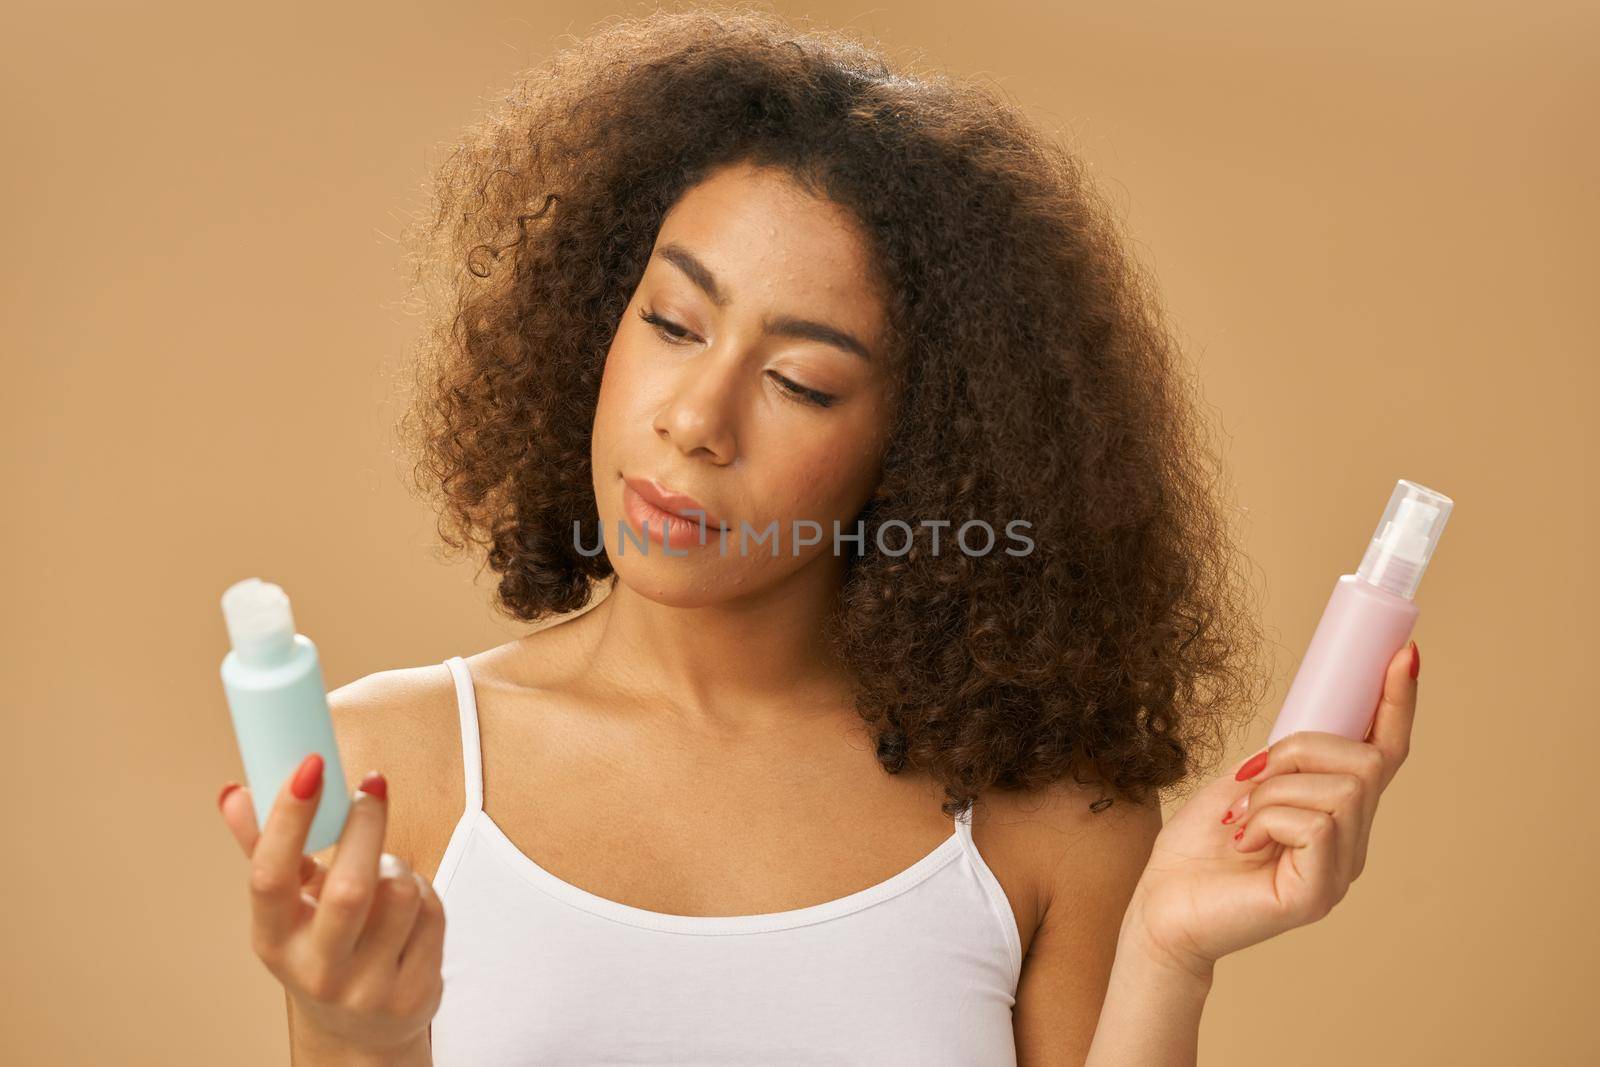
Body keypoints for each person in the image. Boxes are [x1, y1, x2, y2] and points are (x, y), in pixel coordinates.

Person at [214, 9, 1422, 1065]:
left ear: (928, 445)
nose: (692, 418)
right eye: (674, 323)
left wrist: (1171, 953)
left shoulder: (1049, 827)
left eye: (798, 381)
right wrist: (352, 1038)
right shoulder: (393, 770)